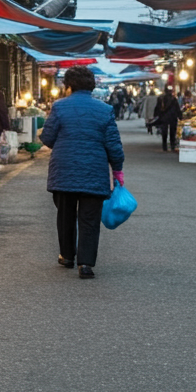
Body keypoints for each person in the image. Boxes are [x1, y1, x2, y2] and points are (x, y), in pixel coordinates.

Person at [39, 65, 124, 279]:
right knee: (89, 219)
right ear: (92, 86)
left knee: (65, 215)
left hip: (64, 172)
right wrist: (118, 170)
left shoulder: (59, 107)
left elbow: (47, 138)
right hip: (94, 174)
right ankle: (85, 265)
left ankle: (67, 256)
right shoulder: (105, 110)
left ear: (68, 86)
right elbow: (114, 145)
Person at [153, 87, 182, 152]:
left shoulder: (161, 98)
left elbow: (157, 108)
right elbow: (177, 108)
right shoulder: (174, 99)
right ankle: (172, 145)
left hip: (164, 117)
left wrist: (156, 115)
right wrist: (180, 116)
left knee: (164, 132)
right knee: (172, 132)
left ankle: (164, 146)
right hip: (173, 117)